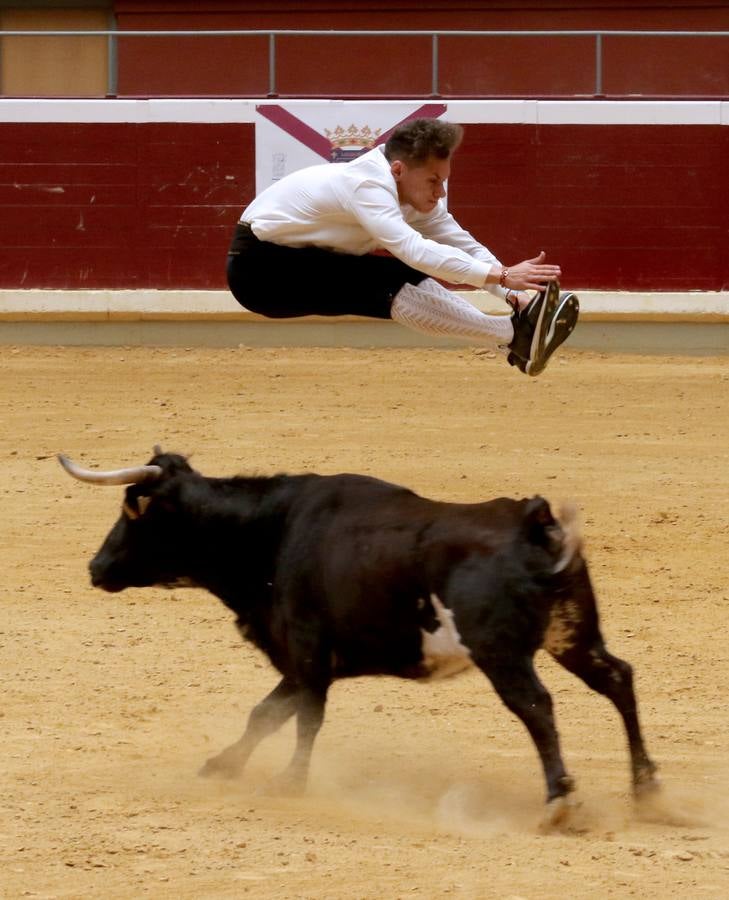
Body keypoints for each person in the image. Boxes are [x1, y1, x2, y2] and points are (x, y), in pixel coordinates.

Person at [227, 117, 578, 376]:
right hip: (259, 270)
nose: (440, 192)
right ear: (397, 170)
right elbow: (415, 250)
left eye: (443, 181)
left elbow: (463, 245)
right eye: (433, 181)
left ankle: (515, 336)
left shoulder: (414, 195)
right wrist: (501, 275)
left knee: (397, 273)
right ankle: (514, 335)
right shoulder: (367, 185)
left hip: (301, 260)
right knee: (385, 279)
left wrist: (514, 295)